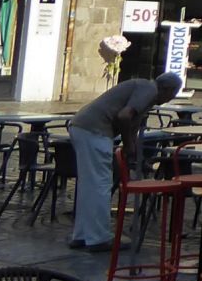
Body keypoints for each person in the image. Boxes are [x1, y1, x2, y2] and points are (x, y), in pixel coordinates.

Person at [69, 72, 182, 251]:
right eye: (172, 95)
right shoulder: (148, 89)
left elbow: (131, 123)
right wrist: (128, 144)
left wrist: (131, 144)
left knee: (89, 185)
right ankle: (98, 238)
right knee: (100, 185)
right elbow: (124, 116)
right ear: (167, 89)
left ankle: (83, 235)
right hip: (95, 130)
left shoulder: (144, 91)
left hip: (83, 127)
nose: (169, 100)